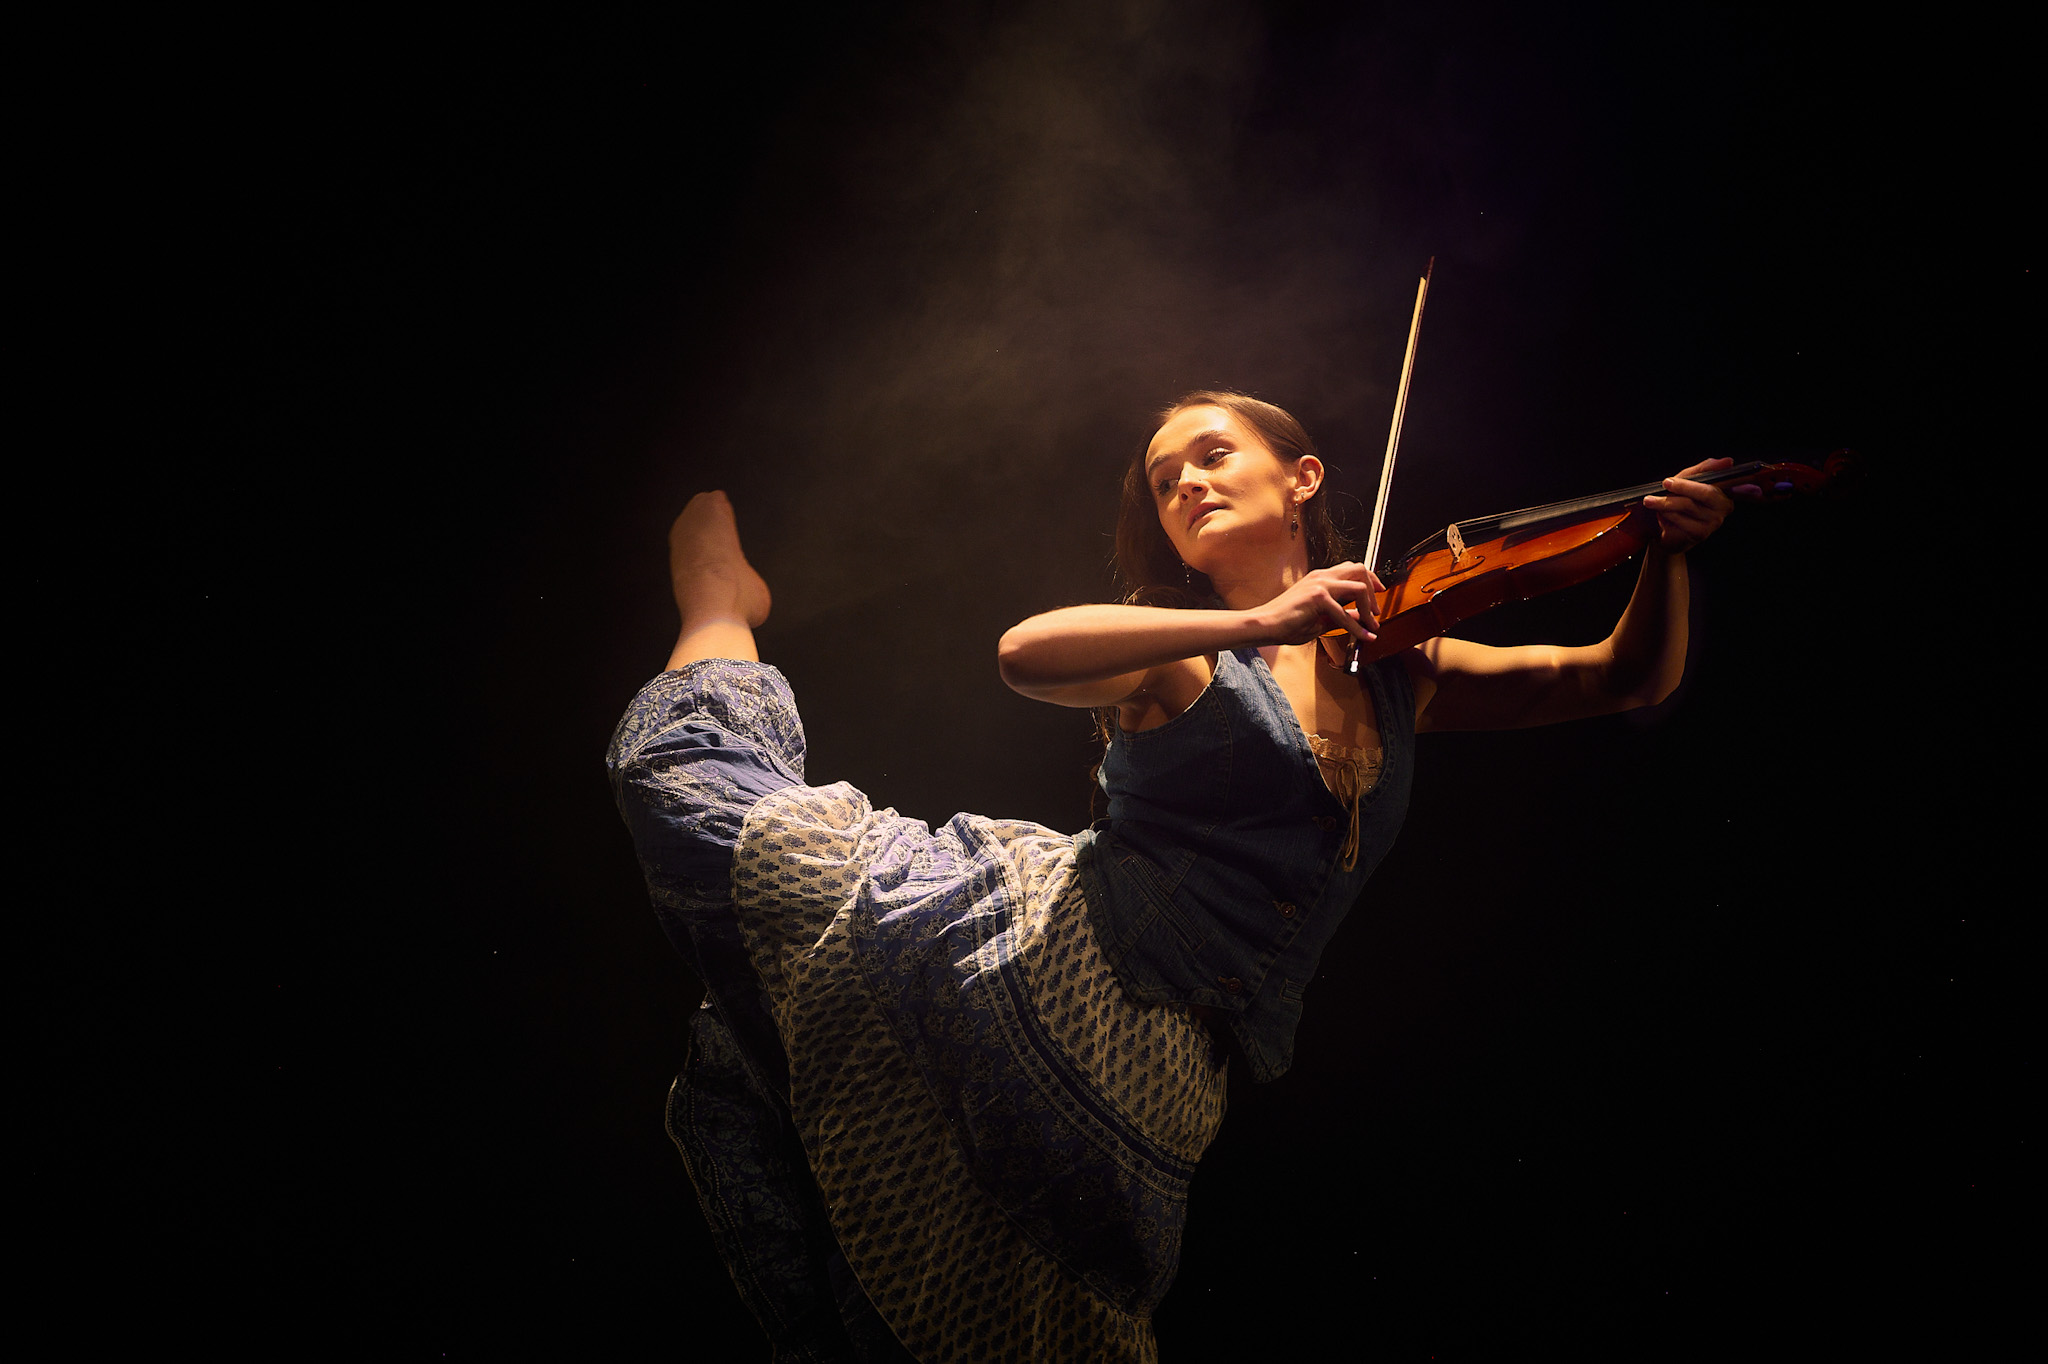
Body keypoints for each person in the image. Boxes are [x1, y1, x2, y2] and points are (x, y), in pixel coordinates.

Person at [606, 390, 1747, 1363]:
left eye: (1211, 452)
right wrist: (1261, 613)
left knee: (1000, 1320)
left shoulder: (1405, 668)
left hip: (1163, 1080)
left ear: (1299, 477)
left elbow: (1621, 677)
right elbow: (1021, 653)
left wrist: (1663, 548)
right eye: (1163, 480)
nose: (1185, 483)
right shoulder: (1184, 639)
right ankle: (717, 602)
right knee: (701, 796)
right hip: (1035, 952)